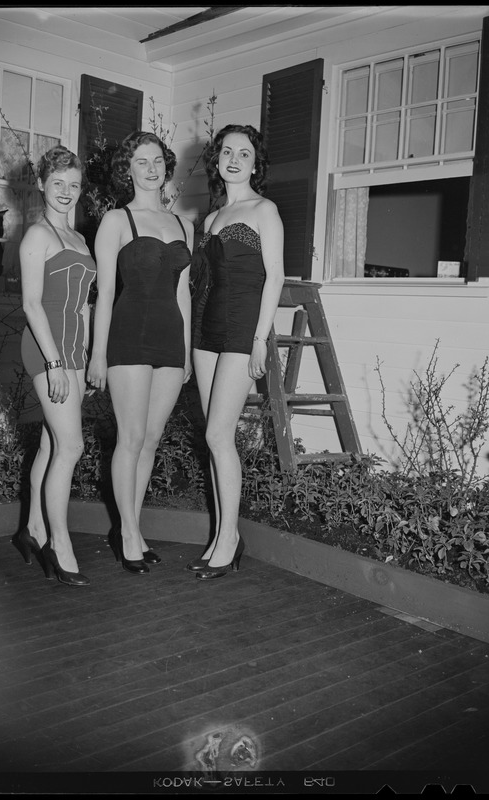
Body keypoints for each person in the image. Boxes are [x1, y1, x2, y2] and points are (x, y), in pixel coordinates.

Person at [87, 131, 193, 574]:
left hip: (170, 340)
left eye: (157, 161)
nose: (151, 169)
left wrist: (185, 353)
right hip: (128, 336)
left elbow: (183, 291)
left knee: (151, 438)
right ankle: (128, 533)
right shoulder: (116, 220)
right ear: (126, 170)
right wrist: (97, 355)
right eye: (141, 162)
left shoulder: (182, 222)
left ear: (166, 166)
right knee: (129, 439)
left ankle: (132, 525)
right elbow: (106, 290)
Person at [187, 124, 285, 580]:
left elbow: (275, 278)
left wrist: (260, 339)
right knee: (213, 437)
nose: (233, 159)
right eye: (226, 151)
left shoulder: (264, 210)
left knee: (217, 437)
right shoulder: (207, 219)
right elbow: (199, 283)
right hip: (207, 331)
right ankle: (220, 534)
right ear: (218, 160)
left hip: (244, 330)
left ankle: (230, 539)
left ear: (254, 163)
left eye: (243, 153)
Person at [11, 146, 96, 586]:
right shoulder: (37, 236)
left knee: (51, 444)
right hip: (47, 350)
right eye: (57, 183)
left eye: (74, 184)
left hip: (73, 352)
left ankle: (32, 527)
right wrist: (56, 362)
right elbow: (30, 305)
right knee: (71, 446)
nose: (66, 192)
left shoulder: (80, 240)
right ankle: (58, 544)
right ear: (42, 184)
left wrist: (87, 357)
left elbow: (81, 307)